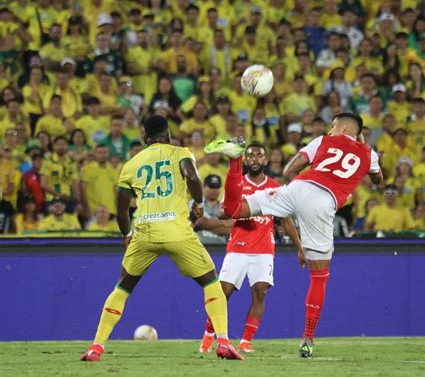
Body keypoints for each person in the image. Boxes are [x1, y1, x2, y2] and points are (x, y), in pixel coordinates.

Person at [203, 113, 383, 358]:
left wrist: (295, 199)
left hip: (297, 188)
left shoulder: (322, 142)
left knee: (233, 209)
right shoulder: (369, 154)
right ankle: (307, 338)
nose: (330, 130)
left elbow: (290, 169)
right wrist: (361, 146)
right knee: (319, 276)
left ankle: (235, 161)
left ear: (340, 126)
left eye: (333, 126)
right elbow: (378, 179)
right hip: (322, 203)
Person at [81, 116, 243, 362]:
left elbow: (122, 209)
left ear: (144, 135)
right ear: (168, 134)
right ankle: (222, 342)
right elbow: (191, 178)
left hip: (144, 230)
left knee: (123, 286)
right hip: (177, 230)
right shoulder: (181, 153)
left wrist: (127, 235)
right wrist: (198, 204)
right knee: (211, 282)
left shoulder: (131, 164)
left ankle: (96, 346)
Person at [199, 143, 304, 354]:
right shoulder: (237, 184)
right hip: (238, 246)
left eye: (259, 155)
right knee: (223, 293)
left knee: (260, 292)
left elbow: (285, 221)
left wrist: (299, 248)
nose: (255, 159)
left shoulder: (275, 187)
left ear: (265, 161)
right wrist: (229, 212)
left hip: (264, 248)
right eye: (251, 156)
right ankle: (209, 335)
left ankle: (246, 341)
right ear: (245, 161)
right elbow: (223, 212)